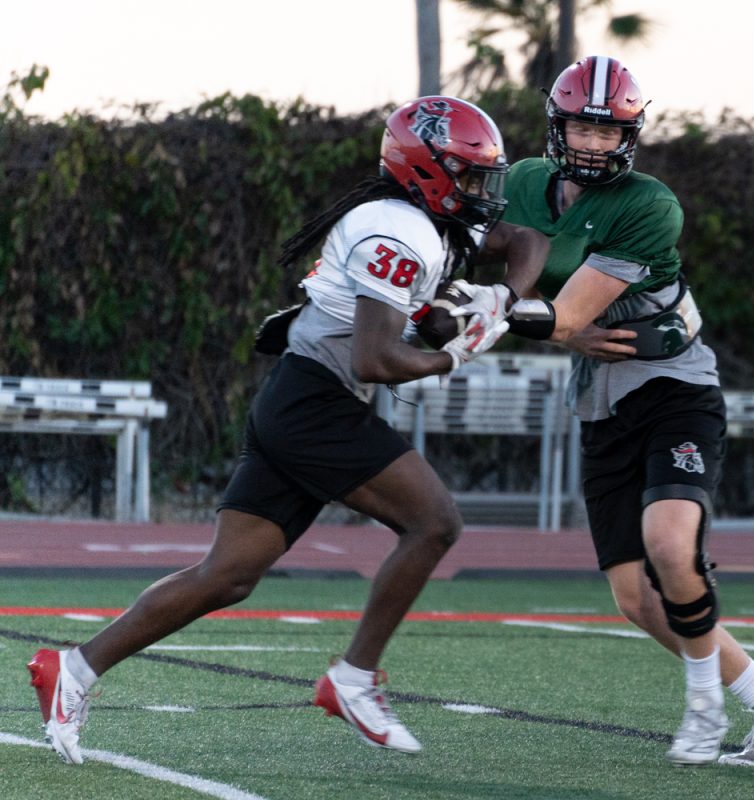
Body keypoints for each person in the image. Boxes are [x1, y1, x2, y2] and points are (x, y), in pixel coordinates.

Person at [27, 96, 548, 763]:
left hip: (299, 398)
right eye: (469, 175)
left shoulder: (435, 223)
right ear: (428, 172)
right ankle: (355, 678)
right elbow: (375, 359)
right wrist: (455, 352)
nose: (481, 191)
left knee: (229, 575)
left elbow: (529, 242)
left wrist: (504, 298)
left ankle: (73, 669)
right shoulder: (396, 228)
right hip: (316, 404)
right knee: (435, 522)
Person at [501, 55, 754, 766]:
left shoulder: (649, 204)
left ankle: (704, 707)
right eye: (582, 127)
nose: (593, 144)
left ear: (631, 136)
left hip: (673, 387)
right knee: (635, 599)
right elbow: (494, 253)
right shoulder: (522, 182)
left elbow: (566, 316)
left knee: (672, 549)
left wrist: (478, 314)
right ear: (558, 126)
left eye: (609, 132)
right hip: (601, 401)